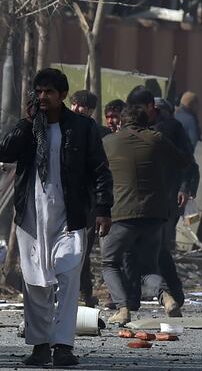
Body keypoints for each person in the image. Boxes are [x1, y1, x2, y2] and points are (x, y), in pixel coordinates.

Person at [0, 68, 113, 366]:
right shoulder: (28, 128)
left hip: (70, 216)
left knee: (67, 274)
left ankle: (63, 345)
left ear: (62, 95)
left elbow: (100, 170)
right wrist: (26, 122)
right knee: (35, 283)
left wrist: (103, 209)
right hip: (31, 218)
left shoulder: (82, 128)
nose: (43, 97)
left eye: (48, 92)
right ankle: (39, 346)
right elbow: (5, 151)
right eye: (38, 92)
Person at [101, 104, 192, 325]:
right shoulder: (156, 139)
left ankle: (123, 308)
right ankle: (166, 297)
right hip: (154, 215)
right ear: (147, 122)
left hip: (121, 214)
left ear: (122, 123)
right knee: (148, 268)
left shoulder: (108, 142)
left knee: (110, 262)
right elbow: (184, 161)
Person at [118, 90, 199, 312]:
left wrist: (184, 188)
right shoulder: (133, 130)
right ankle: (132, 297)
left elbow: (188, 163)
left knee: (158, 249)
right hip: (134, 199)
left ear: (150, 106)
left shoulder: (170, 128)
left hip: (165, 198)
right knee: (131, 248)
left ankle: (172, 291)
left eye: (139, 108)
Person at [69, 90, 110, 308]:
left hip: (90, 201)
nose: (77, 109)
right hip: (65, 199)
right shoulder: (62, 127)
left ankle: (85, 293)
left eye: (81, 106)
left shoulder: (99, 133)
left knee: (82, 249)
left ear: (92, 110)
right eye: (74, 104)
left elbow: (103, 170)